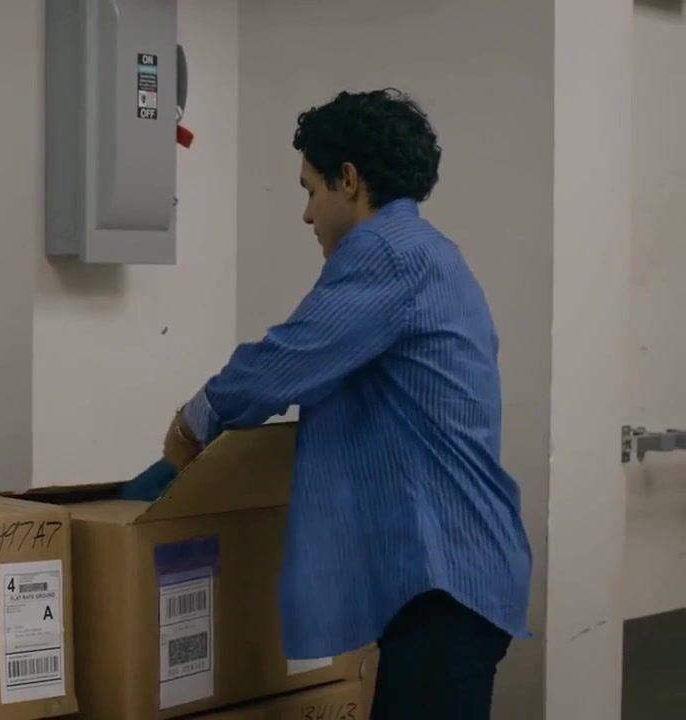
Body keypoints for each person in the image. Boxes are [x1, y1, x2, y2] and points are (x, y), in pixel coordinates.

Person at [162, 89, 532, 720]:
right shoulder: (430, 251)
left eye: (311, 190)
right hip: (451, 574)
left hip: (446, 578)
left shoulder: (387, 252)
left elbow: (284, 361)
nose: (307, 214)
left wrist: (192, 422)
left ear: (350, 181)